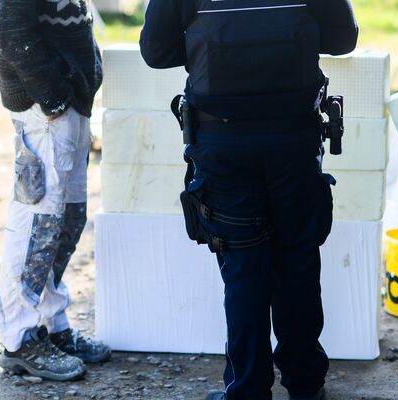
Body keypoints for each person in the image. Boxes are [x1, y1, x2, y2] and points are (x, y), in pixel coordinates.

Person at [140, 1, 358, 399]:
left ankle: (248, 390)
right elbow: (343, 40)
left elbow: (156, 52)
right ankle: (306, 386)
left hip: (223, 142)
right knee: (298, 263)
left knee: (243, 270)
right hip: (293, 142)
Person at [0, 0, 110, 381]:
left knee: (68, 220)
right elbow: (12, 34)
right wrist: (52, 94)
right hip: (44, 111)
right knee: (37, 225)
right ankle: (20, 340)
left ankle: (51, 324)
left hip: (69, 104)